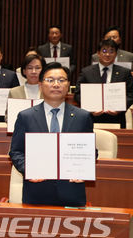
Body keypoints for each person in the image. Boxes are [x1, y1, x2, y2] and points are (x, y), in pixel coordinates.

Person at [9, 62, 92, 207]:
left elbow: (91, 151)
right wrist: (29, 170)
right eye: (50, 80)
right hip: (37, 192)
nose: (56, 84)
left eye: (61, 80)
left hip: (72, 192)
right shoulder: (26, 116)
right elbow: (16, 152)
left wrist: (84, 169)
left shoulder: (82, 117)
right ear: (41, 85)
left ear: (68, 85)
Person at [75, 39, 133, 128]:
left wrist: (120, 108)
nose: (107, 54)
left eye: (111, 51)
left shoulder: (124, 72)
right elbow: (78, 94)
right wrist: (90, 109)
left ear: (116, 54)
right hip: (91, 118)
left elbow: (130, 94)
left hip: (117, 119)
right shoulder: (86, 72)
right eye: (104, 51)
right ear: (98, 53)